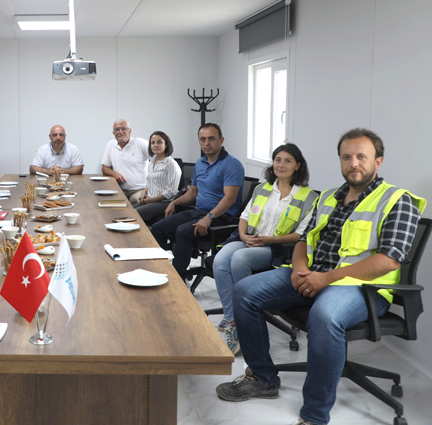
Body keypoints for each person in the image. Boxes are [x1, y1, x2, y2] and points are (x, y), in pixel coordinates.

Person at [215, 129, 425, 425]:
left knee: (324, 315)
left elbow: (388, 260)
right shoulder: (327, 197)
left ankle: (314, 415)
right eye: (346, 157)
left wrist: (326, 279)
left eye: (361, 157)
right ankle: (262, 378)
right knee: (244, 291)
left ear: (377, 161)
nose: (353, 163)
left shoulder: (397, 200)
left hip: (363, 289)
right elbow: (304, 240)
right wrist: (300, 269)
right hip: (314, 274)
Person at [212, 143, 316, 355]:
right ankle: (233, 319)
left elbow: (302, 235)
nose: (281, 165)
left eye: (288, 161)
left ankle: (245, 317)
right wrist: (243, 236)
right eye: (278, 160)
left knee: (240, 259)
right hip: (250, 239)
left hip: (278, 248)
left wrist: (270, 240)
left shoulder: (309, 197)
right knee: (220, 260)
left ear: (297, 165)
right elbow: (245, 216)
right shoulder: (263, 188)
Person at [150, 123, 244, 278]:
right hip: (198, 212)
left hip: (221, 218)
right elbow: (193, 192)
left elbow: (230, 199)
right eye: (203, 139)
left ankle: (177, 279)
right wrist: (174, 202)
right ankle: (158, 270)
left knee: (183, 231)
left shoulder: (232, 164)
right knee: (157, 228)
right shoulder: (200, 163)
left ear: (221, 140)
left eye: (211, 139)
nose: (207, 143)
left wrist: (209, 217)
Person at [133, 131, 182, 224]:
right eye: (153, 143)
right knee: (127, 211)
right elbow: (149, 183)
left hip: (164, 202)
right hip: (151, 199)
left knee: (134, 214)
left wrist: (152, 200)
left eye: (159, 142)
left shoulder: (171, 164)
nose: (155, 145)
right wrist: (143, 193)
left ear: (166, 145)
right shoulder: (151, 162)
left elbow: (171, 191)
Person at [101, 119, 150, 204]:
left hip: (140, 189)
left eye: (123, 128)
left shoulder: (141, 143)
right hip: (119, 189)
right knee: (106, 202)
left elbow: (157, 161)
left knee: (135, 201)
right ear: (113, 133)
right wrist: (114, 173)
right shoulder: (110, 144)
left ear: (129, 131)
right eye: (117, 130)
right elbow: (105, 167)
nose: (120, 132)